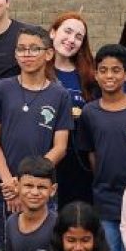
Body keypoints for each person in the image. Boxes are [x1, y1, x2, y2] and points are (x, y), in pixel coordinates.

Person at [73, 44, 126, 251]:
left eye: (116, 70)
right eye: (103, 70)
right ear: (96, 75)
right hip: (105, 199)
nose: (109, 75)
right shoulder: (90, 112)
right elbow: (91, 155)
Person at [0, 26, 72, 223]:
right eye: (21, 49)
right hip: (5, 190)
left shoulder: (60, 95)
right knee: (4, 248)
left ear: (49, 53)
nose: (27, 54)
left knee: (43, 250)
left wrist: (28, 183)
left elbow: (60, 147)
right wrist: (10, 182)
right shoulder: (1, 89)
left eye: (34, 49)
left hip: (41, 189)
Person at [47, 12, 98, 208]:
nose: (71, 40)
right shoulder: (37, 71)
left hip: (80, 164)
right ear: (53, 33)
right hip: (47, 159)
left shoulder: (88, 76)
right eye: (67, 32)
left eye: (78, 37)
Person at [0, 156, 59, 251]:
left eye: (42, 187)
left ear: (53, 189)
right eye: (28, 186)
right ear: (17, 186)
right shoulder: (11, 223)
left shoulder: (58, 225)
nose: (34, 192)